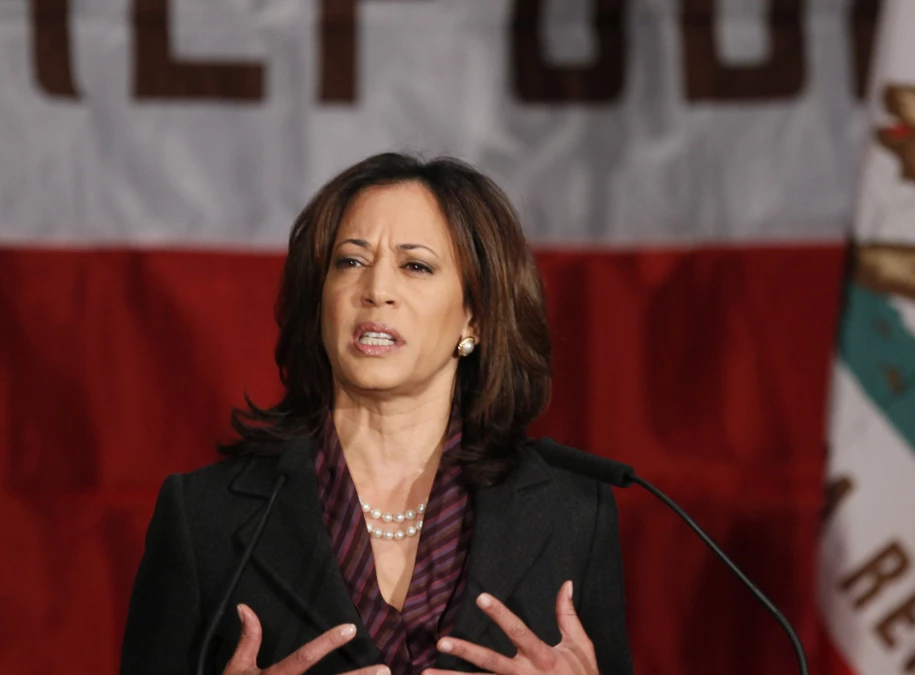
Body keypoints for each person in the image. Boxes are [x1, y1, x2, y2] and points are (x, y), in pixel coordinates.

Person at [119, 153, 634, 675]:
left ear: (474, 315)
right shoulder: (205, 515)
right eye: (350, 261)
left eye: (415, 265)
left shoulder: (574, 514)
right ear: (320, 302)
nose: (375, 291)